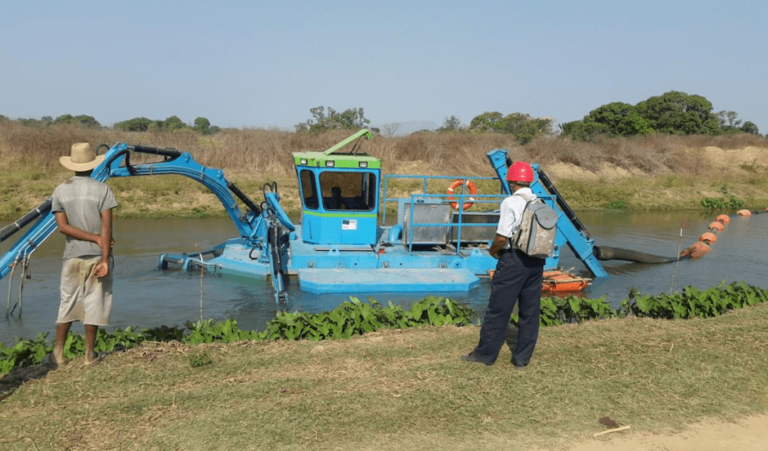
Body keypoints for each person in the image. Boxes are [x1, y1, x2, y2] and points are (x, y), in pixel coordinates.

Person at [462, 161, 545, 370]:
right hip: (536, 261)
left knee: (498, 309)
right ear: (529, 181)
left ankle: (485, 355)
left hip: (513, 260)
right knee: (530, 310)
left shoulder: (510, 202)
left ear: (511, 182)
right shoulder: (539, 201)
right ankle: (521, 359)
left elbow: (502, 237)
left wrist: (493, 252)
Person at [51, 143, 118, 366]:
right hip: (98, 256)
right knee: (94, 304)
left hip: (72, 257)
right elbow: (106, 227)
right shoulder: (102, 190)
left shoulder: (60, 190)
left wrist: (92, 238)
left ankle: (58, 354)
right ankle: (89, 355)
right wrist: (104, 255)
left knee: (67, 303)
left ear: (72, 165)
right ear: (92, 165)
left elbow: (63, 227)